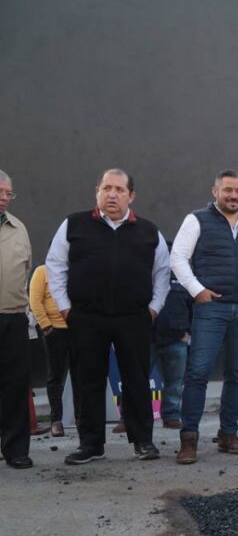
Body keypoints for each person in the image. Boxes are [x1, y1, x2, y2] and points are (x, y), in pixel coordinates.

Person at [46, 168, 170, 464]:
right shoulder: (73, 225)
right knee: (87, 380)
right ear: (97, 192)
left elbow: (163, 273)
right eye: (106, 188)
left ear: (131, 195)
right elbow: (55, 265)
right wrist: (65, 307)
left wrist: (154, 308)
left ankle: (143, 442)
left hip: (133, 317)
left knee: (137, 379)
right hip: (86, 318)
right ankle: (91, 444)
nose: (112, 194)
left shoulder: (149, 231)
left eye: (119, 189)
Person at [170, 169, 238, 463]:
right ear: (215, 191)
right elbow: (177, 258)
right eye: (228, 190)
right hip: (210, 309)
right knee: (198, 372)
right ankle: (188, 440)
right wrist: (196, 290)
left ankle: (228, 434)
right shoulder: (197, 219)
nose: (234, 196)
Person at [0, 169, 33, 469]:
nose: (4, 198)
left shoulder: (18, 228)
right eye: (0, 191)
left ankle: (16, 450)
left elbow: (25, 270)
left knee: (14, 385)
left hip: (12, 318)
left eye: (8, 193)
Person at [29, 264, 79, 436]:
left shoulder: (76, 269)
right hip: (54, 331)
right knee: (55, 377)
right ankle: (56, 421)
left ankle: (82, 419)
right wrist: (46, 326)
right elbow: (35, 300)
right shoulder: (42, 271)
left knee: (80, 375)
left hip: (77, 330)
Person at [152, 271, 192, 429]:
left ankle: (171, 416)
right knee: (137, 380)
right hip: (148, 337)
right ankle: (128, 418)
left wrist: (189, 331)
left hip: (177, 338)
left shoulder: (184, 277)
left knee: (175, 383)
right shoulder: (145, 270)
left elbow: (192, 306)